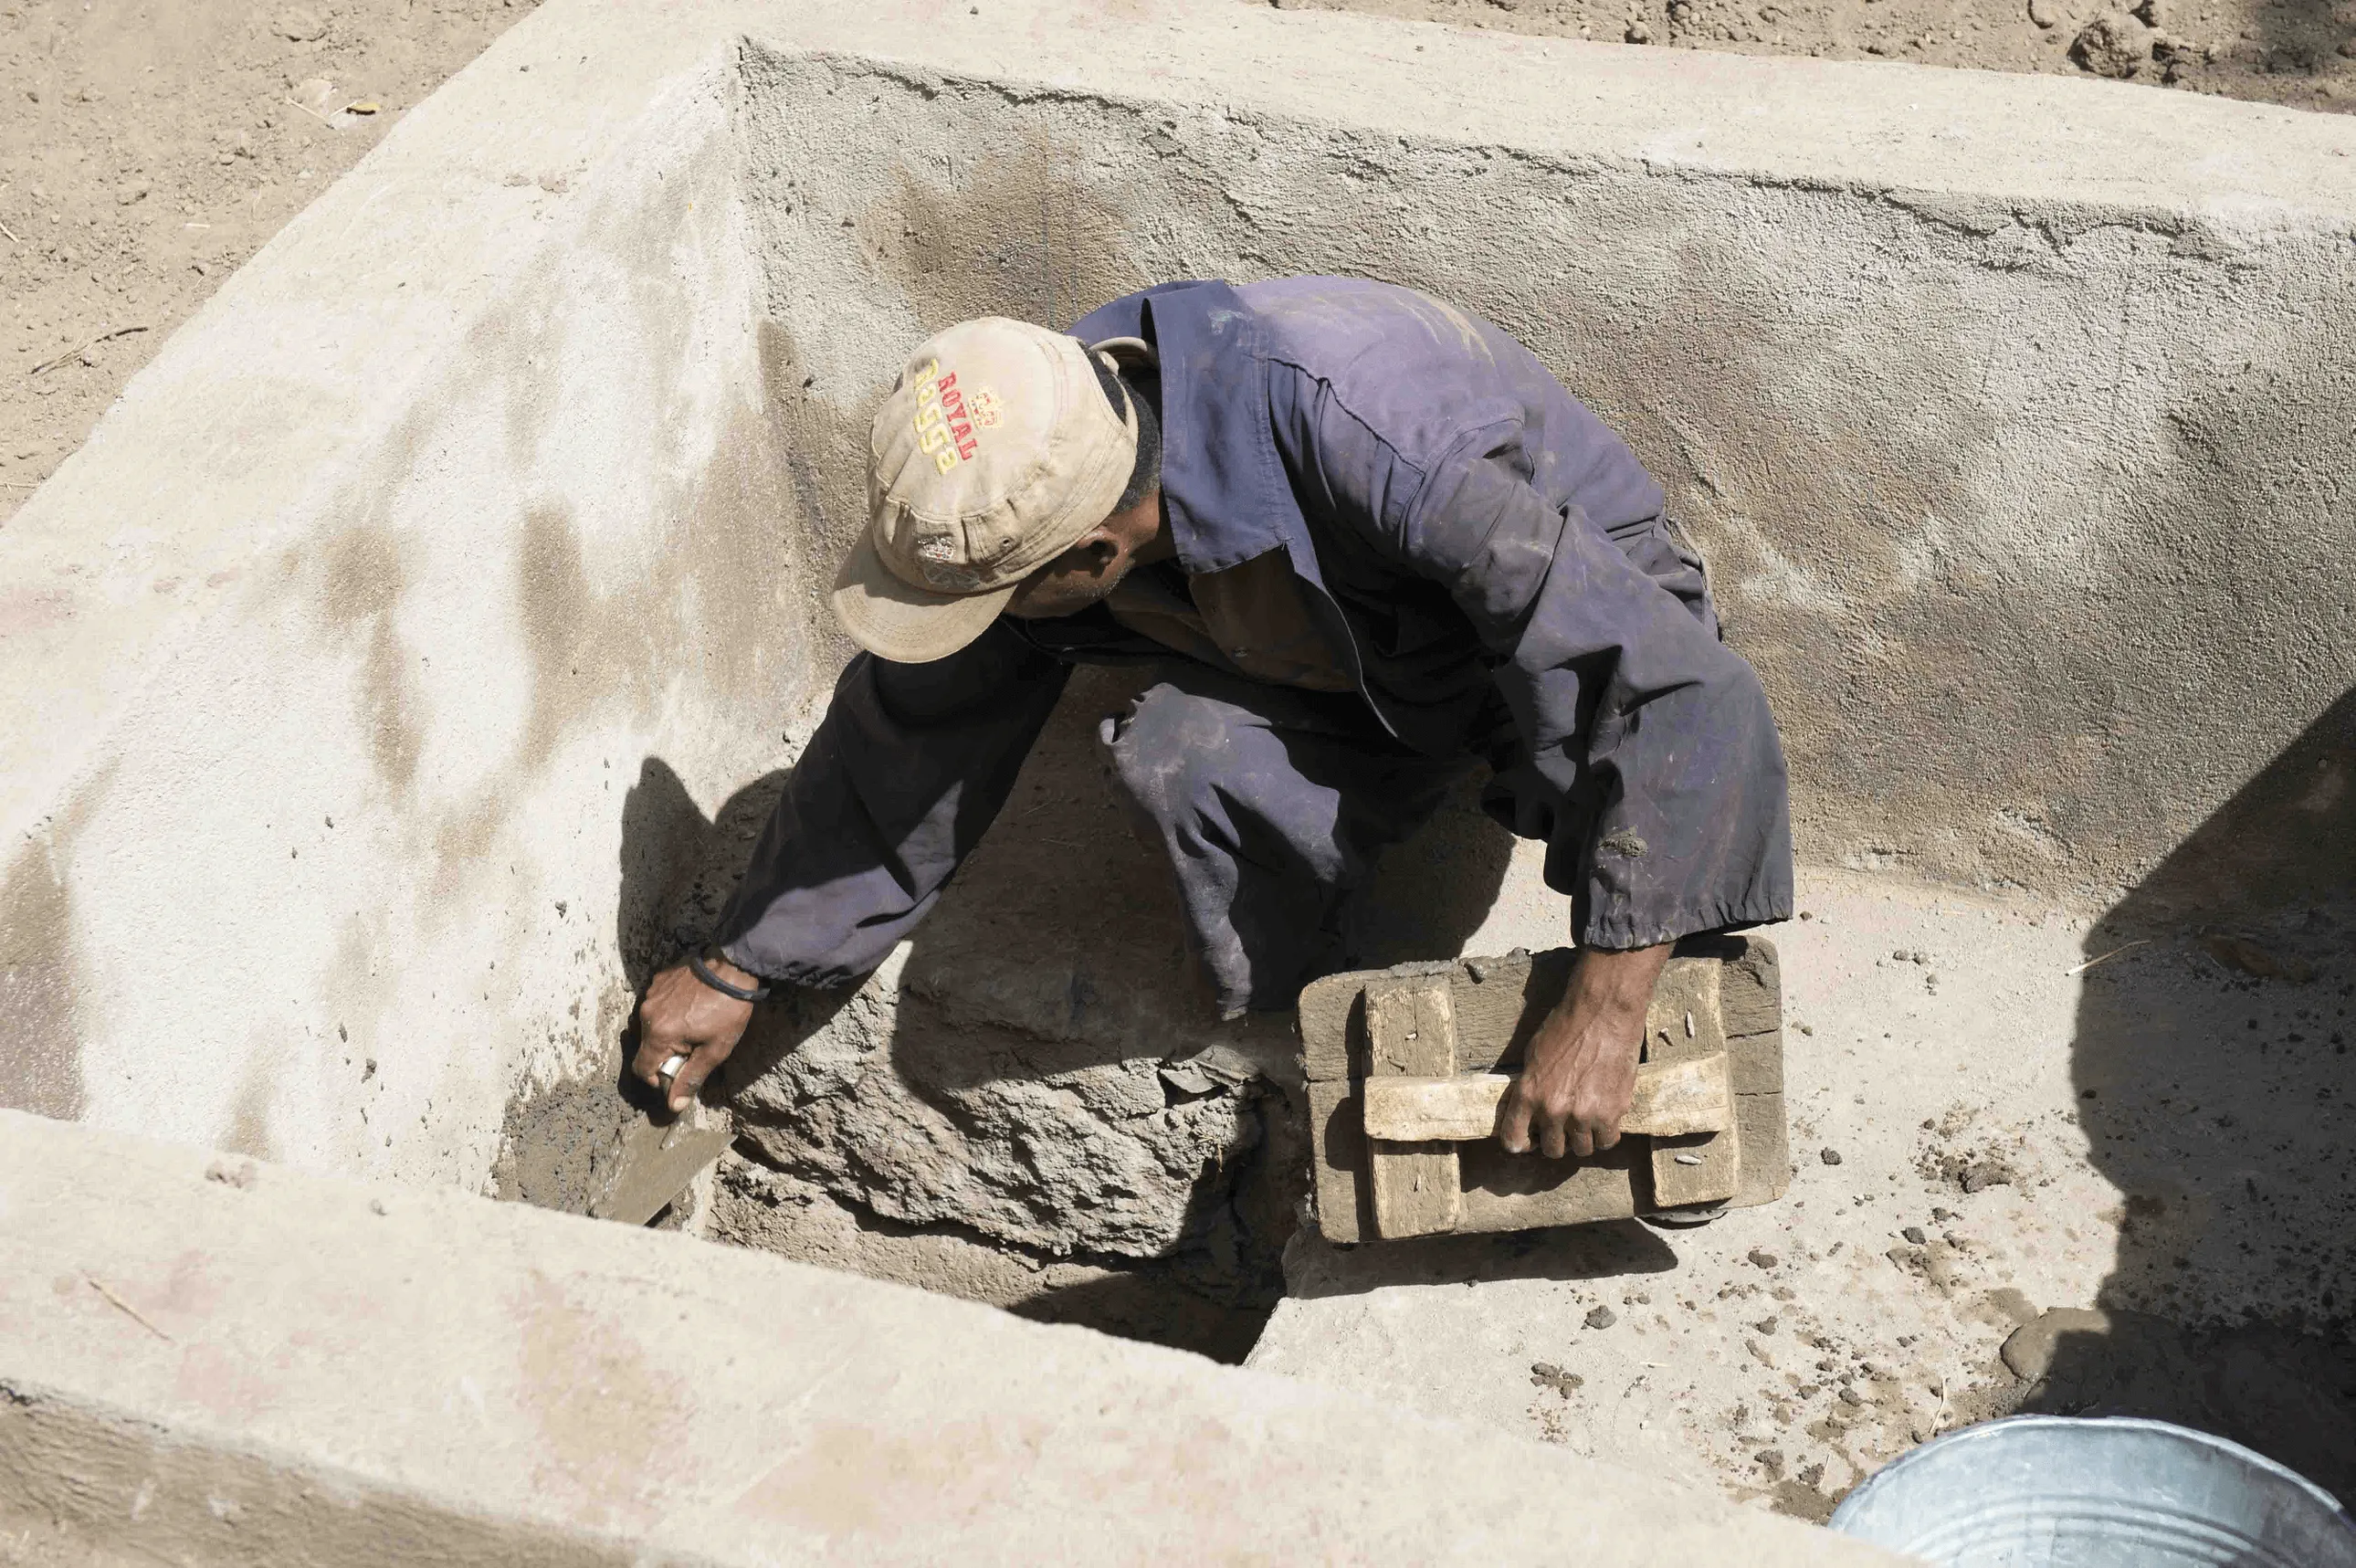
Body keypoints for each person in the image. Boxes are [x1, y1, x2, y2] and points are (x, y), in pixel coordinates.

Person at [633, 276, 1792, 1163]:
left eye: (1007, 598)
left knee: (1633, 874)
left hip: (1553, 623)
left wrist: (1603, 1006)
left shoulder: (1378, 447)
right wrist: (742, 964)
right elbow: (914, 729)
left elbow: (1677, 682)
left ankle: (1616, 929)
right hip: (1336, 643)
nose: (989, 622)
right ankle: (1300, 1039)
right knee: (1185, 755)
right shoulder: (1056, 433)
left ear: (1095, 553)